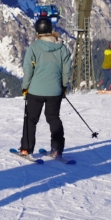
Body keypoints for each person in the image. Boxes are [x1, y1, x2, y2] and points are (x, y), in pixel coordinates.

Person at [19, 17, 71, 160]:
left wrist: (25, 87)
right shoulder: (62, 48)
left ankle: (26, 149)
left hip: (35, 90)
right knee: (54, 118)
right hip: (55, 91)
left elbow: (28, 69)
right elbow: (67, 70)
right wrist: (63, 86)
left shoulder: (34, 47)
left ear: (37, 31)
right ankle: (57, 149)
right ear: (50, 30)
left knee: (30, 119)